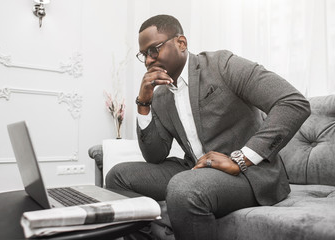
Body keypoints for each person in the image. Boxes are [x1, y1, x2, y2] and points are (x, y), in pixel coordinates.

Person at [106, 14, 310, 240]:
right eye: (143, 55)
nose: (148, 61)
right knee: (117, 176)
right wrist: (144, 103)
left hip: (248, 173)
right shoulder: (161, 95)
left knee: (184, 188)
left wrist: (240, 158)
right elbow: (154, 155)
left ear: (181, 43)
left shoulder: (222, 64)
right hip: (195, 169)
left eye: (154, 50)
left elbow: (292, 102)